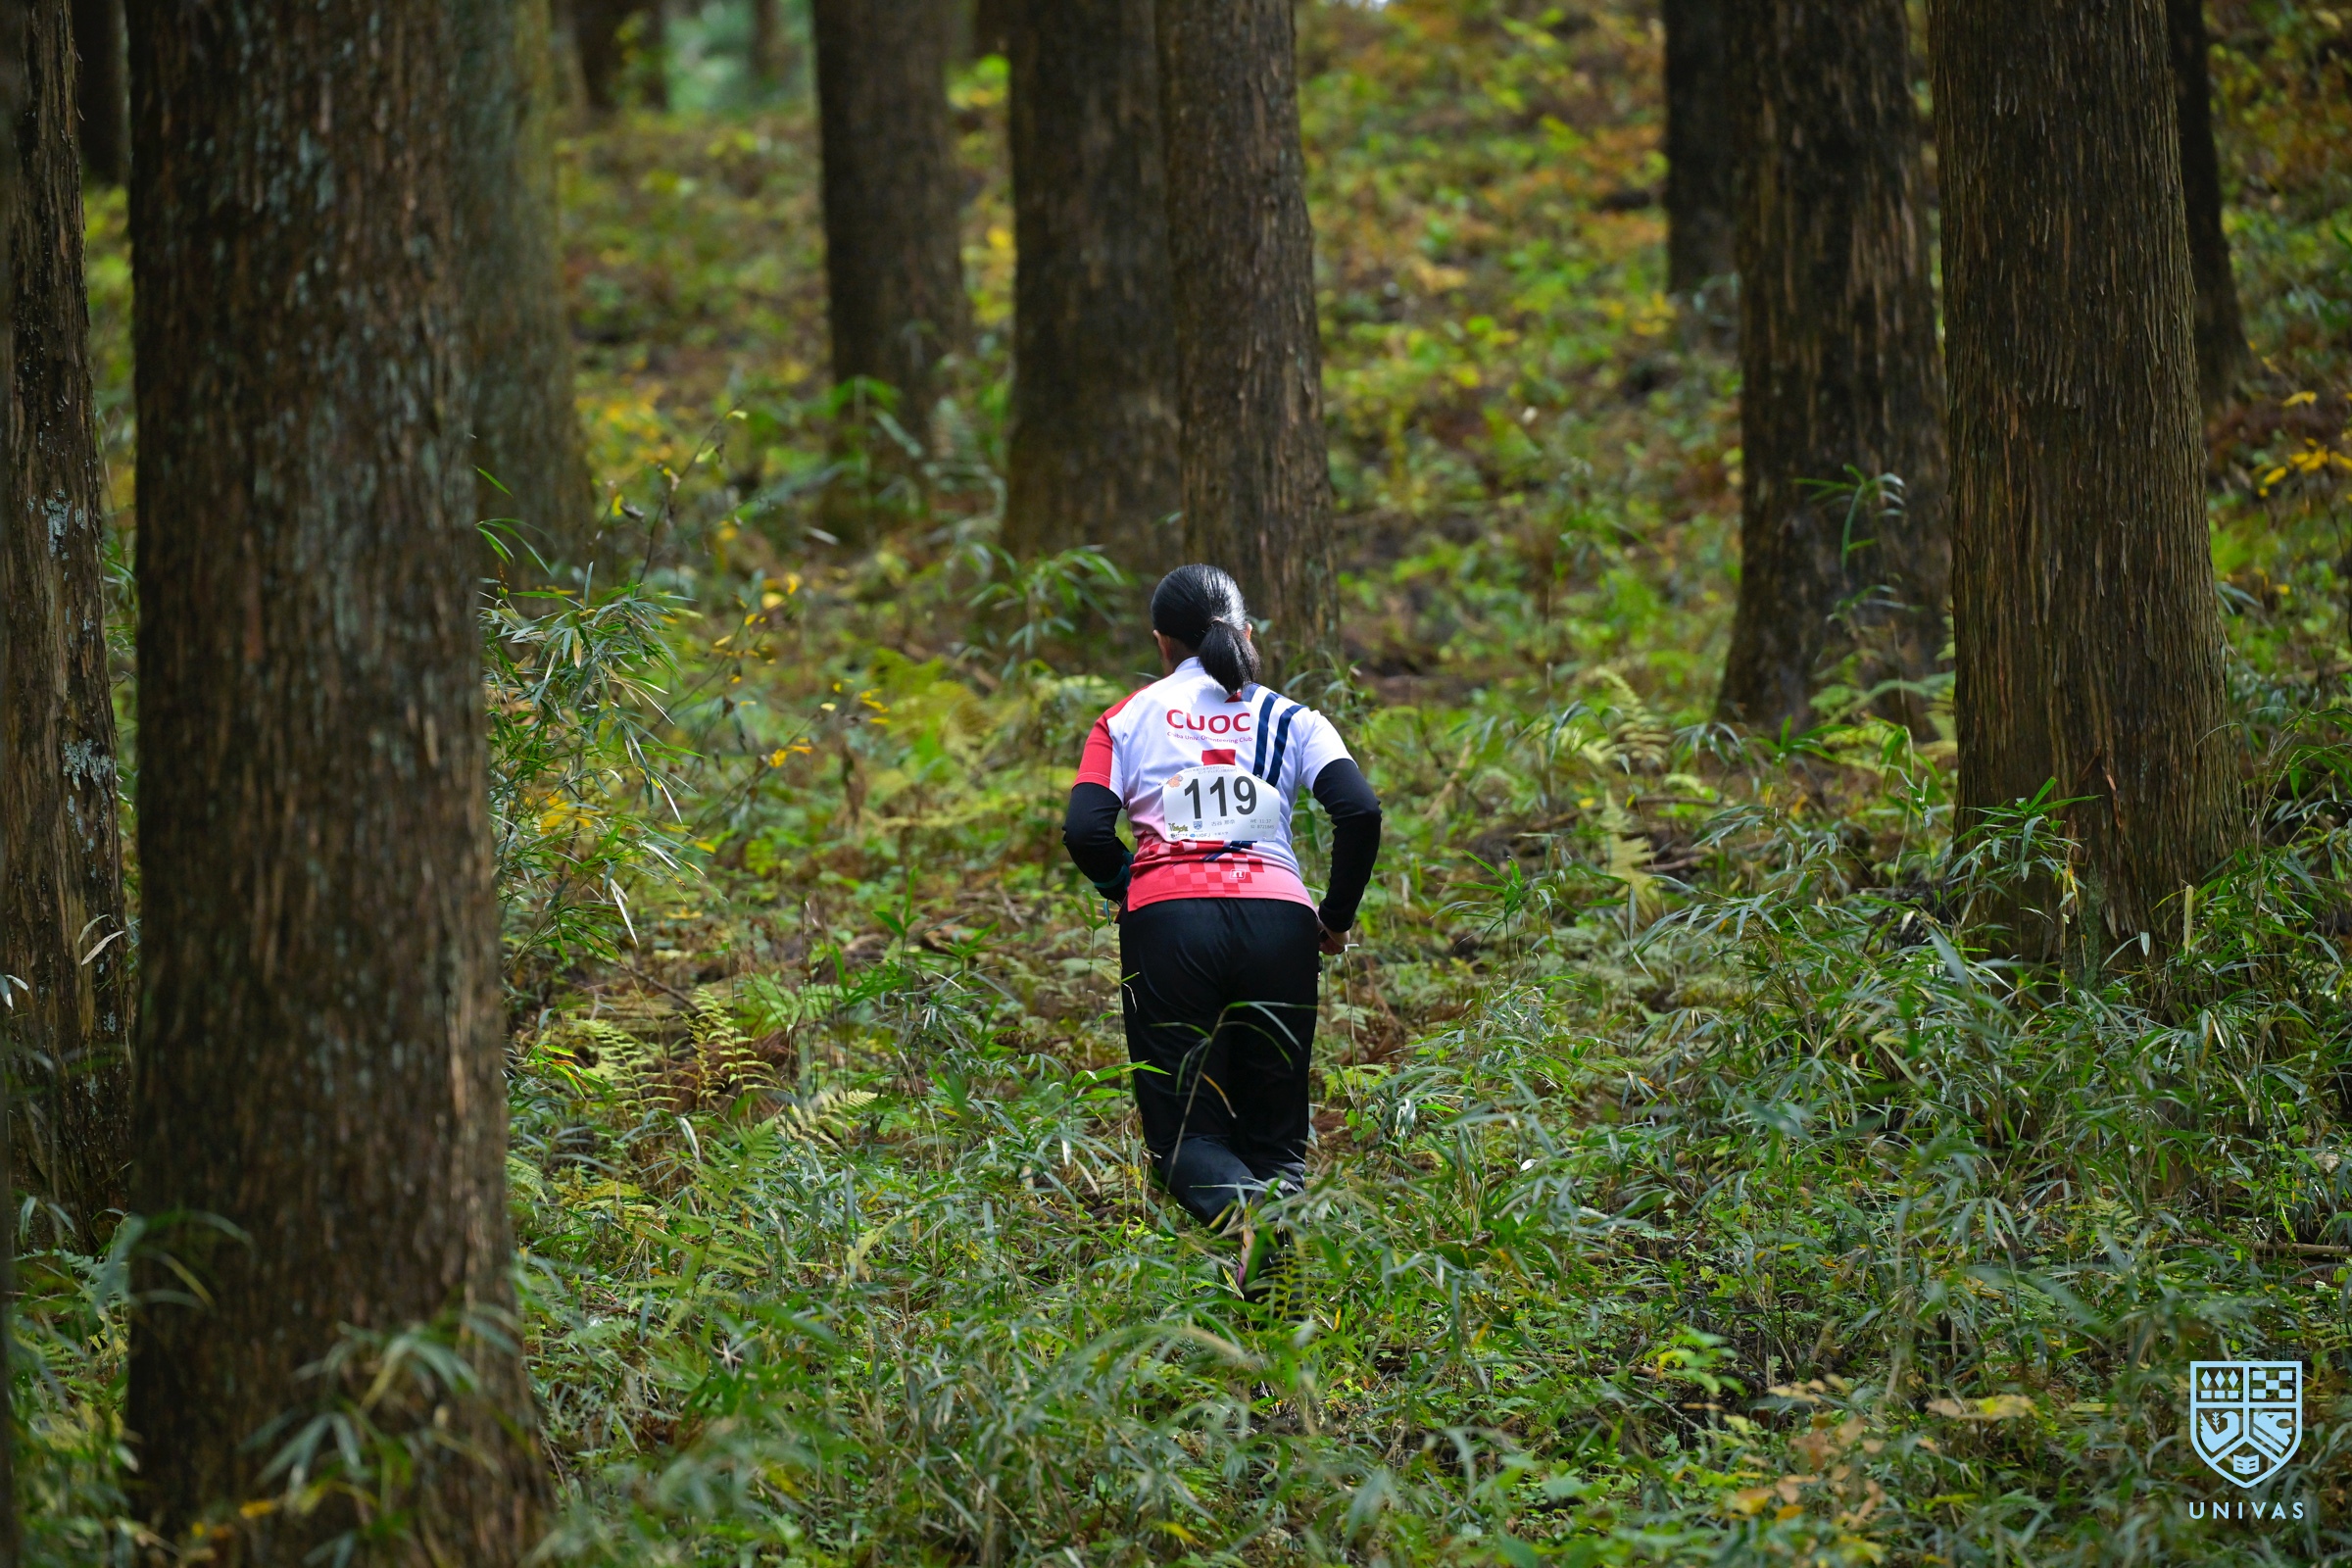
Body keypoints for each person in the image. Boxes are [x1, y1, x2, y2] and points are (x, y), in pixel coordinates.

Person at [1061, 564, 1383, 1296]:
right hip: (1280, 923)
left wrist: (1124, 884)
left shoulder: (1125, 718)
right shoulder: (1294, 718)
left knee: (1184, 1137)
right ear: (1246, 633)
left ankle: (1251, 1227)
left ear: (1162, 642)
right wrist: (1334, 918)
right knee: (1277, 1136)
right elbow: (1359, 811)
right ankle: (1278, 1316)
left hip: (1169, 926)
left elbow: (1085, 830)